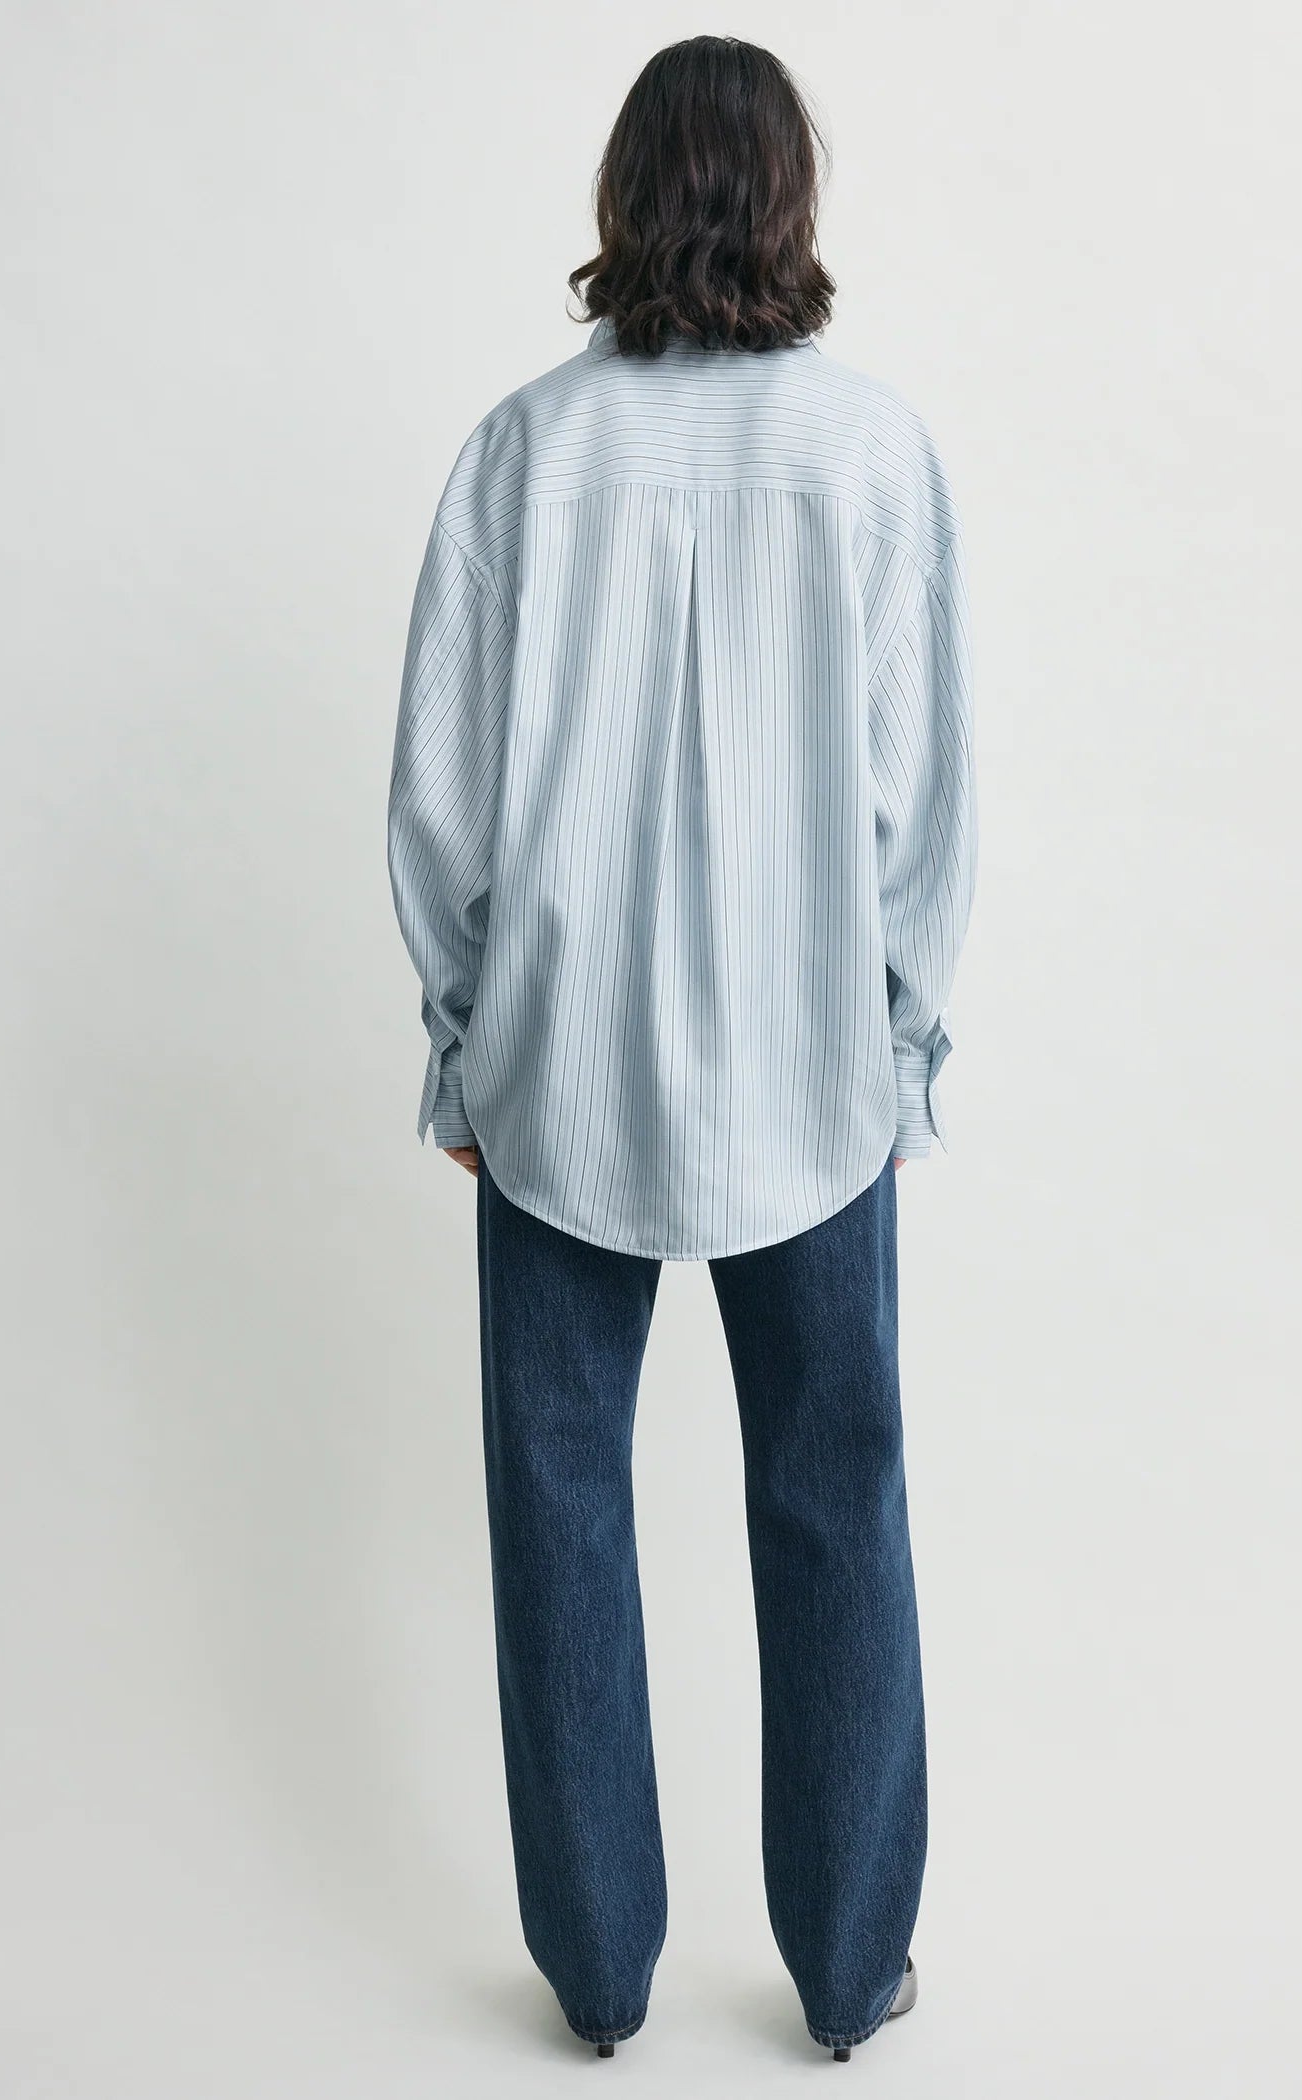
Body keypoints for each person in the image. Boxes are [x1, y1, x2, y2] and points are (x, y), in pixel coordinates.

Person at [386, 34, 975, 2064]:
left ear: (622, 199)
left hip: (561, 1073)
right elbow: (925, 802)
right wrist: (901, 1053)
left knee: (558, 1506)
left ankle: (599, 1974)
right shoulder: (871, 454)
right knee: (837, 1496)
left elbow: (440, 800)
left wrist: (463, 1045)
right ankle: (850, 1971)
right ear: (791, 198)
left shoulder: (523, 454)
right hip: (812, 1078)